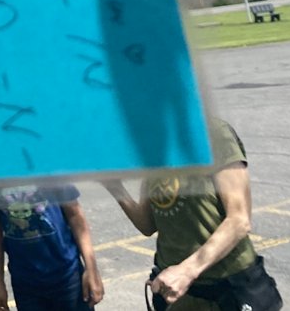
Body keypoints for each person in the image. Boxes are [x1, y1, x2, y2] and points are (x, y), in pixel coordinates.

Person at [102, 118, 280, 311]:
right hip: (176, 292)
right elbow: (146, 224)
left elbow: (239, 219)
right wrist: (114, 186)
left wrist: (187, 271)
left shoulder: (213, 133)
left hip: (224, 290)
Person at [0, 183, 104, 311]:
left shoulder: (48, 169)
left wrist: (91, 269)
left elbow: (75, 216)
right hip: (25, 283)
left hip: (67, 276)